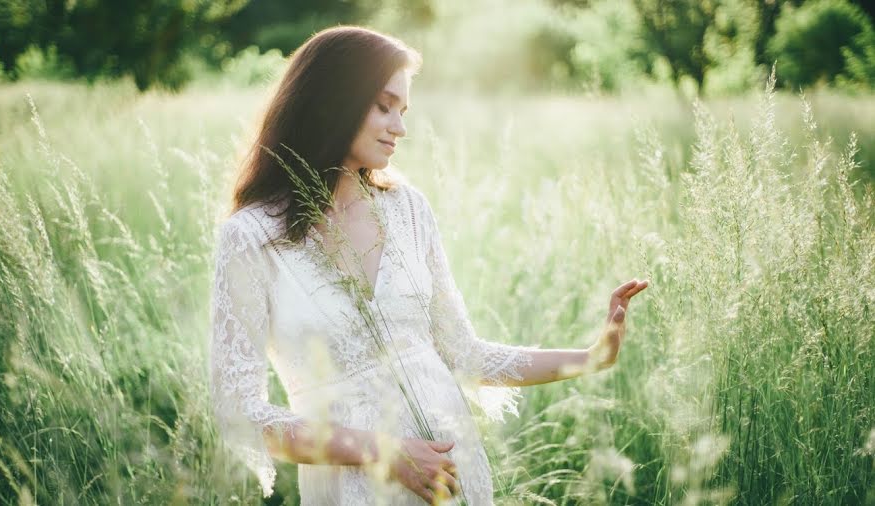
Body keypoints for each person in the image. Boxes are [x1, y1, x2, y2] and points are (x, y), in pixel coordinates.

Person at [208, 25, 649, 505]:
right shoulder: (251, 237)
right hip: (355, 488)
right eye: (383, 106)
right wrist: (381, 452)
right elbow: (239, 409)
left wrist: (588, 358)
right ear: (332, 99)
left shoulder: (408, 210)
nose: (400, 126)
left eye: (403, 110)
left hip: (452, 474)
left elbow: (465, 354)